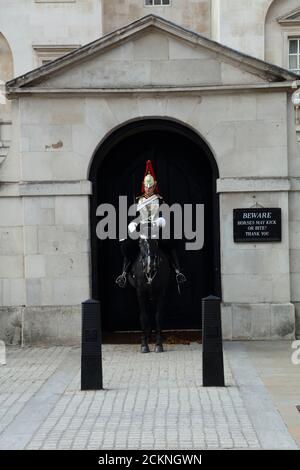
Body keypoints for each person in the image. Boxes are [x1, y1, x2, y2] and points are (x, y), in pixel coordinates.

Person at [115, 160, 187, 289]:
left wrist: (161, 221)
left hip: (156, 230)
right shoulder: (138, 201)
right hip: (142, 230)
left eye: (151, 186)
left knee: (169, 244)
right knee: (128, 246)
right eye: (147, 187)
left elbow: (166, 216)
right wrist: (132, 224)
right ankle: (124, 274)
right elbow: (134, 216)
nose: (149, 189)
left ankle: (178, 271)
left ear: (155, 186)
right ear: (143, 185)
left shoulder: (160, 200)